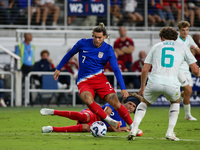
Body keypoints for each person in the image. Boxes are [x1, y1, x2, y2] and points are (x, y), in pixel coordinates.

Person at [53, 23, 135, 140]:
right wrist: (58, 68)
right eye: (95, 37)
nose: (97, 40)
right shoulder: (82, 43)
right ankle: (108, 120)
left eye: (99, 37)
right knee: (87, 99)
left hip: (100, 80)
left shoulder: (108, 49)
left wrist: (123, 88)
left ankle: (133, 127)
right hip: (84, 80)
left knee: (116, 103)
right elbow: (70, 54)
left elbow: (116, 69)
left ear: (105, 37)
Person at [127, 26, 200, 141]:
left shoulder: (156, 46)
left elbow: (145, 69)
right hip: (172, 83)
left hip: (154, 81)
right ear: (176, 37)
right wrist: (197, 74)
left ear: (162, 37)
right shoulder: (182, 47)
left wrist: (142, 87)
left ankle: (134, 129)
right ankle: (170, 132)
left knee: (144, 103)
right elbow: (195, 70)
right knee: (175, 102)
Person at [40, 93, 142, 134]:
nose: (130, 107)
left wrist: (119, 129)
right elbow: (106, 112)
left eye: (133, 106)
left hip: (98, 125)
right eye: (129, 104)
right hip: (94, 114)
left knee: (85, 128)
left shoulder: (125, 122)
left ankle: (51, 129)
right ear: (124, 102)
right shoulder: (115, 105)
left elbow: (110, 129)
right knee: (84, 117)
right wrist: (117, 129)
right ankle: (54, 112)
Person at [176, 21, 200, 121]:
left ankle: (176, 97)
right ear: (179, 31)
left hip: (186, 68)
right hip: (178, 69)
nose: (185, 32)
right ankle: (188, 115)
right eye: (183, 30)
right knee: (188, 90)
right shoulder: (176, 40)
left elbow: (198, 50)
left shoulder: (189, 38)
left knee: (187, 93)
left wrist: (194, 48)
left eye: (187, 30)